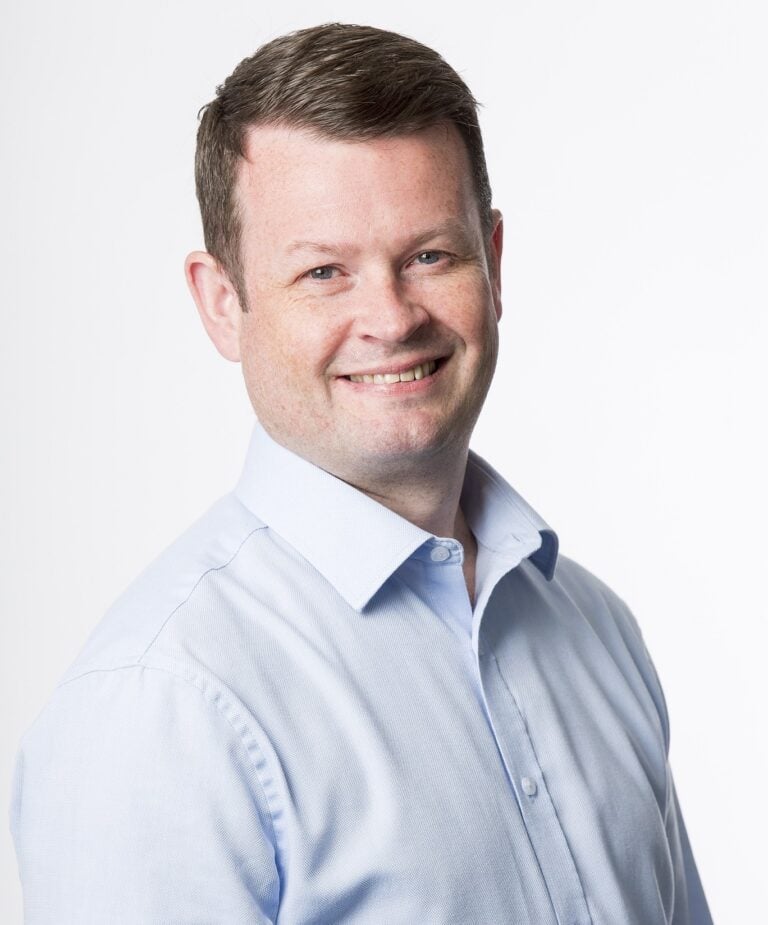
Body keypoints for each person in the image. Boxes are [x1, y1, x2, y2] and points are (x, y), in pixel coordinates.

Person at [10, 22, 712, 925]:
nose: (389, 317)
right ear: (223, 304)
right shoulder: (161, 711)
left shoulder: (593, 629)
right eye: (324, 272)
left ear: (493, 265)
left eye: (429, 256)